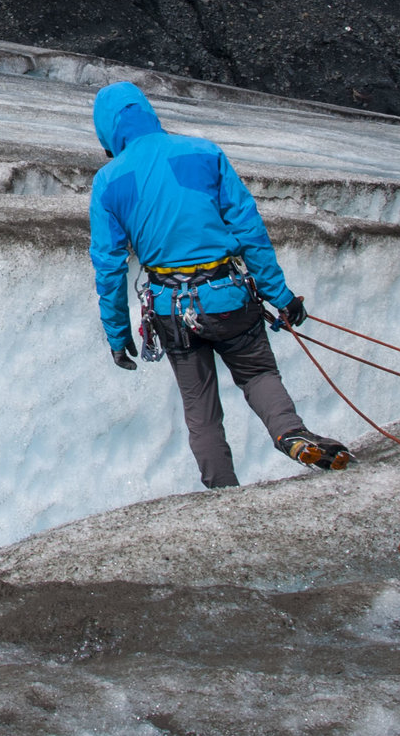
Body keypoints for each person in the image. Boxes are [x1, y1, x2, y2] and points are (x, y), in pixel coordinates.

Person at [88, 80, 352, 488]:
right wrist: (279, 296)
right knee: (258, 374)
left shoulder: (109, 180)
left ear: (107, 130)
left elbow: (109, 267)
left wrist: (117, 333)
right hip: (228, 296)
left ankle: (224, 492)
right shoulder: (204, 153)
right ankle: (291, 433)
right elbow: (250, 230)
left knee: (200, 410)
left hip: (170, 311)